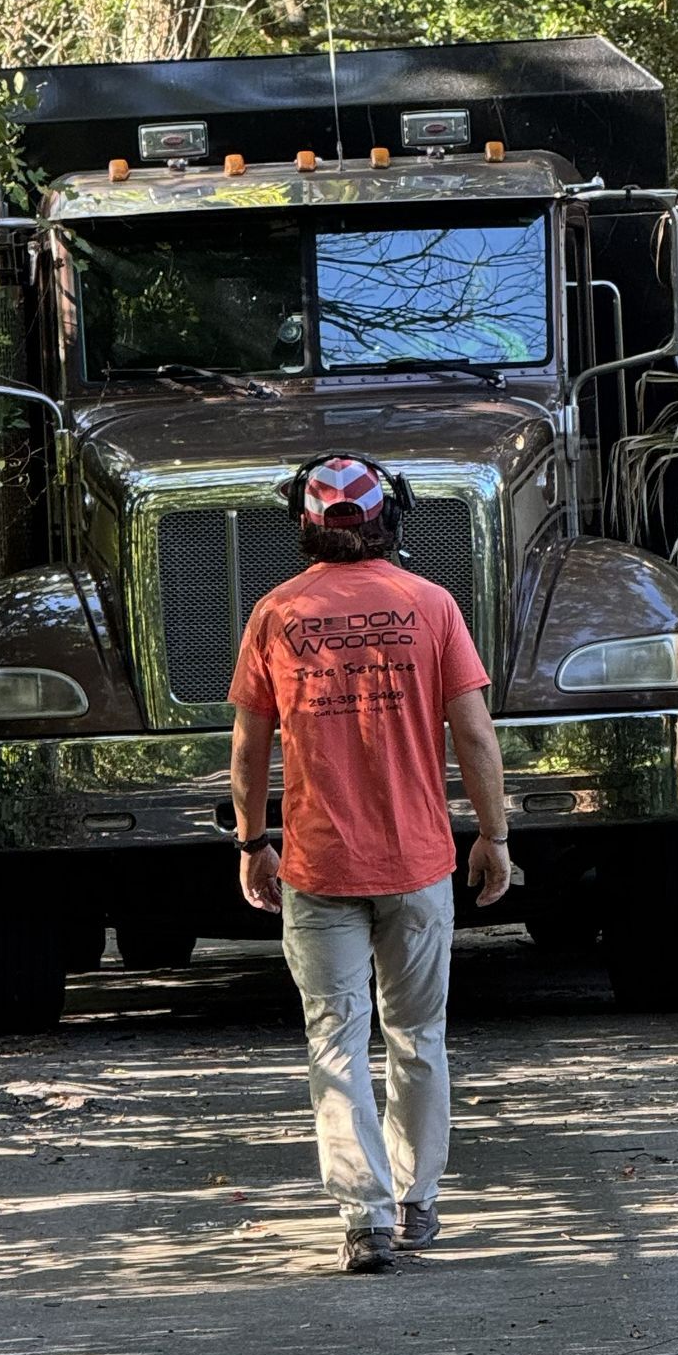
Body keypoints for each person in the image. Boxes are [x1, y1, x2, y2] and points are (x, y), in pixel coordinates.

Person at [228, 454, 511, 1274]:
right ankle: (419, 1201)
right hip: (420, 863)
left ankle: (366, 1219)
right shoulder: (431, 606)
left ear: (305, 523)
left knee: (336, 1042)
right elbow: (475, 734)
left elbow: (249, 747)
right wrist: (492, 836)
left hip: (317, 870)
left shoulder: (276, 615)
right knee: (418, 1035)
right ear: (393, 518)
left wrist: (253, 841)